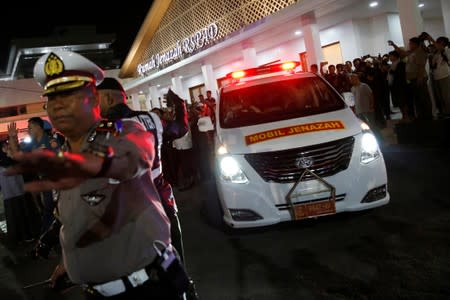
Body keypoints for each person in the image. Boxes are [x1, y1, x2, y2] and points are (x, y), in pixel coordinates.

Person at [6, 50, 189, 299]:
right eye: (51, 97)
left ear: (93, 98)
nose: (57, 104)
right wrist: (72, 265)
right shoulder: (65, 152)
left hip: (146, 288)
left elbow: (136, 152)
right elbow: (77, 216)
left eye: (69, 94)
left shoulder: (119, 130)